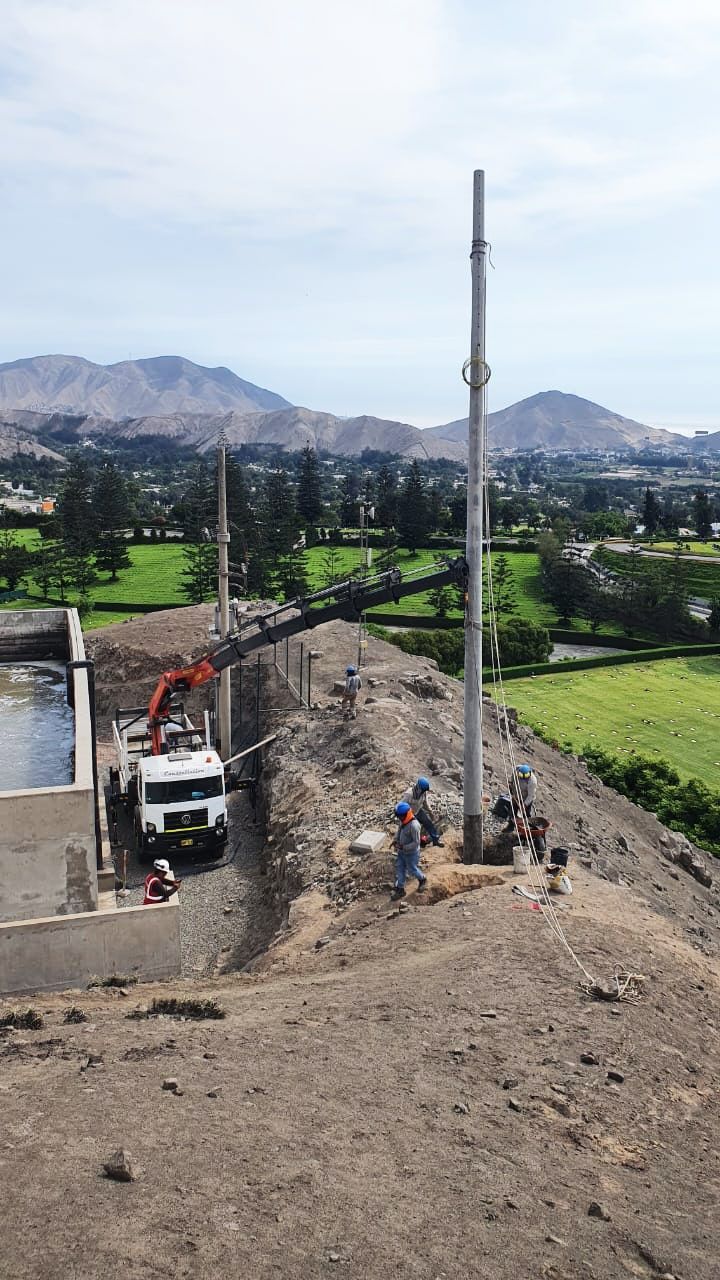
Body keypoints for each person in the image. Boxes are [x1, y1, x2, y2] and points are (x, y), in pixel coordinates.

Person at [391, 801, 427, 899]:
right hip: (402, 852)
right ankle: (400, 889)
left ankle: (422, 879)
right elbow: (399, 831)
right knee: (400, 868)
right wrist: (395, 840)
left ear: (406, 814)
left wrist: (404, 847)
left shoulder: (414, 826)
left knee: (412, 869)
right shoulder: (403, 821)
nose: (399, 818)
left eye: (400, 816)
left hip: (411, 853)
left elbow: (416, 843)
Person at [401, 776, 445, 847]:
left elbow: (425, 803)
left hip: (418, 811)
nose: (424, 792)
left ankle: (435, 841)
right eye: (423, 790)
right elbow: (402, 806)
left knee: (429, 824)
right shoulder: (409, 794)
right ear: (418, 788)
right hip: (410, 815)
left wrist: (431, 812)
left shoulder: (423, 793)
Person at [506, 763, 538, 830]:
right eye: (521, 775)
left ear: (529, 772)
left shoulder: (532, 781)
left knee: (526, 815)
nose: (523, 776)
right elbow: (512, 778)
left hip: (526, 798)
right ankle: (510, 826)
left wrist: (524, 805)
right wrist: (511, 783)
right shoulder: (517, 770)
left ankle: (528, 828)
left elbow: (530, 796)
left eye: (526, 775)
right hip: (516, 795)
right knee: (512, 811)